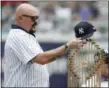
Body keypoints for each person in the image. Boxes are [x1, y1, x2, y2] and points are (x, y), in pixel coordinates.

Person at [3, 3, 85, 87]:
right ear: (20, 18)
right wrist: (67, 46)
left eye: (37, 18)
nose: (36, 22)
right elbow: (41, 59)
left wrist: (66, 50)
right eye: (33, 18)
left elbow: (45, 60)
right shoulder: (18, 36)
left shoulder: (25, 35)